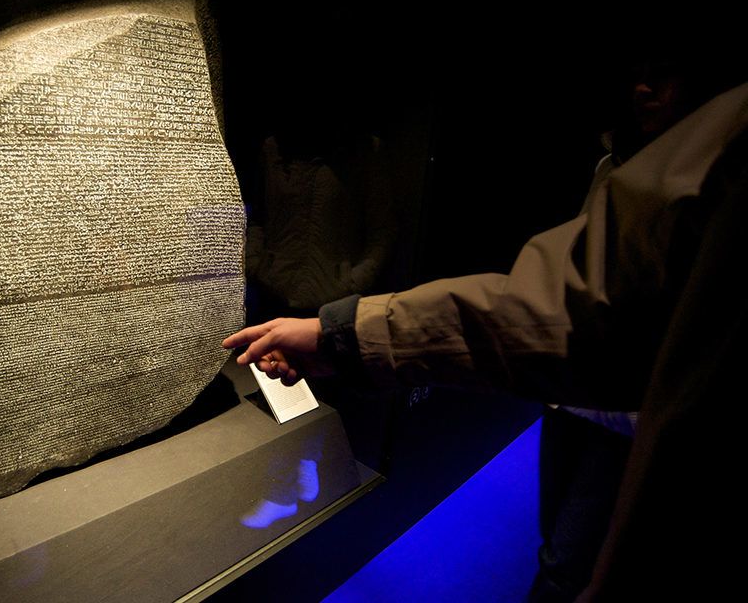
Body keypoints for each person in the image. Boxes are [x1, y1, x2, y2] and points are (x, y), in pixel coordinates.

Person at [223, 66, 748, 599]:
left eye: (670, 71)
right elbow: (580, 299)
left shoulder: (718, 153)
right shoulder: (624, 161)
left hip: (626, 414)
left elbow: (577, 307)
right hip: (571, 399)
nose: (643, 86)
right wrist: (277, 278)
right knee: (558, 546)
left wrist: (342, 314)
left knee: (567, 564)